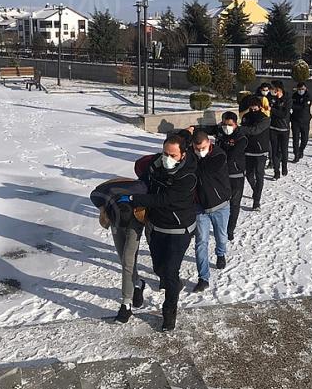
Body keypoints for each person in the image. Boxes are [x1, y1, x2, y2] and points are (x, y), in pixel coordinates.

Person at [121, 133, 197, 331]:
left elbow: (163, 199)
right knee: (159, 268)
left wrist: (133, 199)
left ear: (182, 155)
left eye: (172, 155)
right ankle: (174, 283)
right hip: (157, 227)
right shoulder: (157, 164)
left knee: (170, 272)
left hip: (179, 230)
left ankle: (169, 313)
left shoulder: (188, 176)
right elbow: (144, 176)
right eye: (165, 153)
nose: (167, 158)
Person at [89, 178, 148, 323]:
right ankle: (138, 283)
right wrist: (104, 212)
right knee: (124, 259)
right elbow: (94, 196)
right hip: (116, 220)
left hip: (135, 221)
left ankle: (126, 305)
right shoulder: (102, 195)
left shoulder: (140, 189)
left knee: (128, 259)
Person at [190, 130, 232, 293]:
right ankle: (203, 278)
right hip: (200, 208)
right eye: (197, 148)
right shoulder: (191, 155)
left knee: (221, 236)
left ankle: (220, 253)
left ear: (209, 143)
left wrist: (191, 162)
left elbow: (203, 170)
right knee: (201, 242)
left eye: (203, 148)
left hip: (220, 205)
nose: (200, 151)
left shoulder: (219, 155)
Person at [214, 111, 248, 241]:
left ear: (235, 124)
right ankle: (219, 226)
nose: (226, 127)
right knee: (219, 202)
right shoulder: (220, 132)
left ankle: (230, 229)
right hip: (220, 175)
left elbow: (231, 156)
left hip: (236, 175)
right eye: (224, 124)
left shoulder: (241, 138)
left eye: (229, 125)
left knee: (234, 204)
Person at [240, 95, 270, 211]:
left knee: (259, 175)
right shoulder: (246, 117)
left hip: (260, 151)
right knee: (248, 174)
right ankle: (255, 190)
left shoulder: (265, 119)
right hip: (248, 150)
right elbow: (243, 132)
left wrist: (240, 128)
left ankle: (256, 202)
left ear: (260, 107)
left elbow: (255, 130)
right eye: (251, 108)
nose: (253, 110)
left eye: (255, 108)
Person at [268, 80, 291, 179]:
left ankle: (284, 166)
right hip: (273, 128)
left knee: (284, 150)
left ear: (278, 89)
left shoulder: (287, 99)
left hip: (284, 129)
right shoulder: (270, 98)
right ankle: (276, 171)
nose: (271, 90)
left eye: (273, 88)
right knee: (274, 151)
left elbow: (284, 114)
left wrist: (272, 109)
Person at [290, 81, 312, 162]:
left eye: (302, 89)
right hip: (295, 120)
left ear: (305, 88)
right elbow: (292, 104)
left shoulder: (308, 96)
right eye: (299, 89)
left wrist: (294, 106)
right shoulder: (294, 95)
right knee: (295, 139)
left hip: (305, 121)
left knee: (305, 139)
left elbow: (304, 107)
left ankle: (301, 150)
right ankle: (296, 154)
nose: (300, 90)